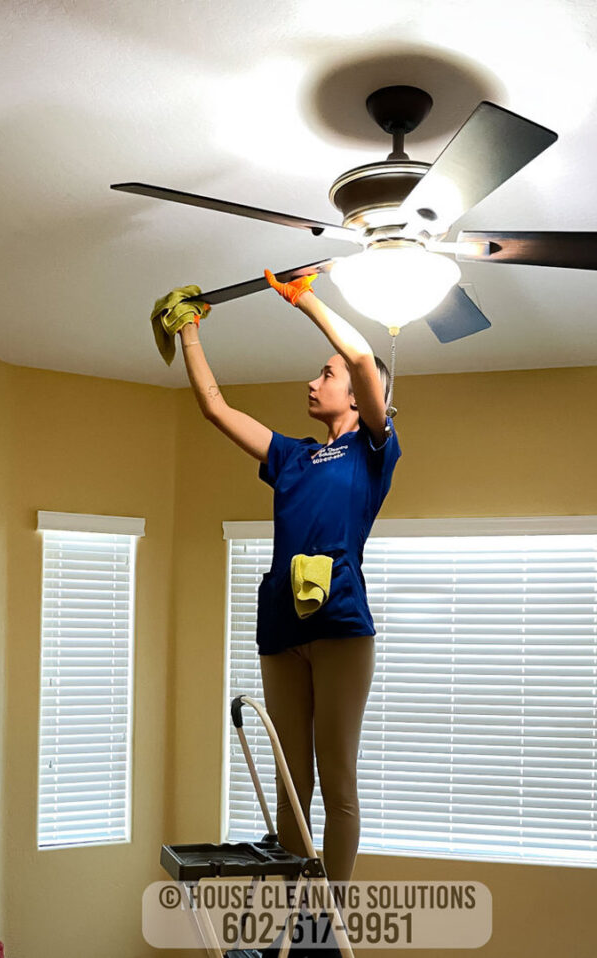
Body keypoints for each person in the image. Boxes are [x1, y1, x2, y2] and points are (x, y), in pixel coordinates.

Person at [177, 269, 401, 893]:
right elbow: (215, 408)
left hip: (340, 630)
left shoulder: (374, 450)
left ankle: (326, 920)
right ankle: (295, 914)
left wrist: (304, 298)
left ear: (359, 394)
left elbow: (359, 353)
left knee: (337, 781)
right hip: (280, 627)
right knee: (291, 788)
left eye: (326, 374)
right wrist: (189, 330)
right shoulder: (293, 457)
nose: (314, 380)